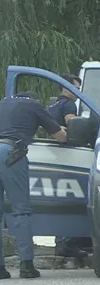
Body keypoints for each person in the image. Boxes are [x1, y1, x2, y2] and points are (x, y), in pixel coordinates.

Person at [0, 91, 67, 280]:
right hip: (10, 152)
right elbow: (61, 137)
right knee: (21, 211)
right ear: (36, 99)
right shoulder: (35, 106)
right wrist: (64, 130)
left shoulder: (3, 103)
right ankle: (26, 266)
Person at [47, 74, 89, 259]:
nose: (78, 93)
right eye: (76, 88)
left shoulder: (54, 104)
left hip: (54, 155)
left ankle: (63, 242)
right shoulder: (69, 104)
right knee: (76, 196)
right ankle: (69, 243)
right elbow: (73, 124)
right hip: (67, 155)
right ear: (66, 88)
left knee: (61, 199)